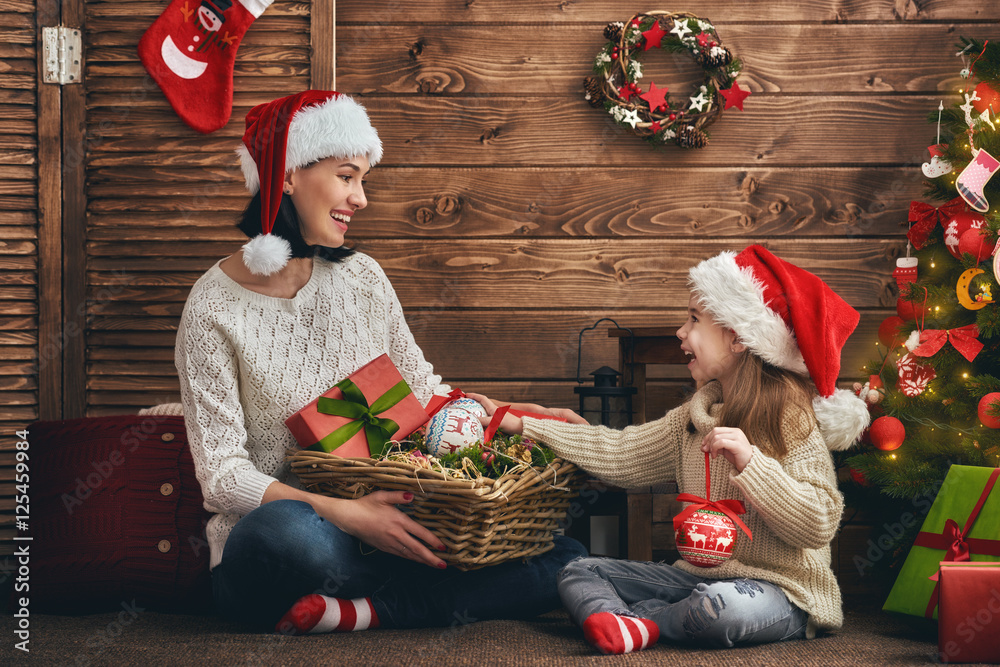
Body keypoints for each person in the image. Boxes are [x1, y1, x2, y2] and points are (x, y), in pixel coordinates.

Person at [174, 90, 586, 634]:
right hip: (293, 544)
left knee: (568, 552)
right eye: (347, 176)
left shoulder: (362, 277)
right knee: (288, 533)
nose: (360, 198)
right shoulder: (212, 305)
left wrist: (517, 416)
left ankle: (369, 610)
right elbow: (223, 478)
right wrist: (345, 514)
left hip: (384, 521)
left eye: (363, 180)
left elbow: (422, 394)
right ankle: (424, 595)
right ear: (289, 174)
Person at [470, 245, 870, 654]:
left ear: (735, 336)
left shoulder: (791, 419)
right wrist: (528, 425)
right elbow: (621, 454)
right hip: (700, 581)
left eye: (694, 319)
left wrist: (753, 465)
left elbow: (819, 523)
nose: (681, 332)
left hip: (779, 591)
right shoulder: (692, 420)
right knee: (578, 570)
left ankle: (640, 620)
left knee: (723, 609)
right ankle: (640, 623)